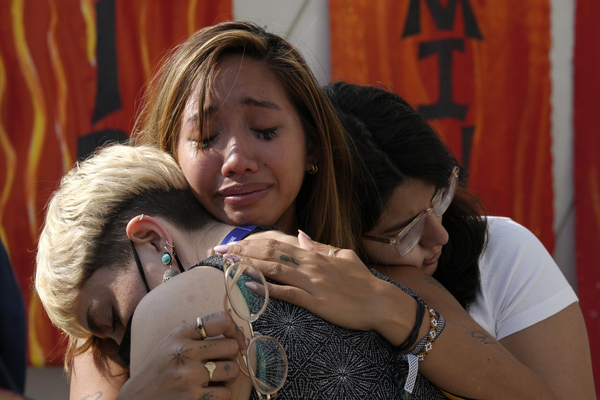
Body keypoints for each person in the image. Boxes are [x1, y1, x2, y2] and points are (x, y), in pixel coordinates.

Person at [60, 21, 557, 399]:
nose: (237, 159)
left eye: (266, 130)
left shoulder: (377, 271)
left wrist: (383, 306)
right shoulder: (112, 338)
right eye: (207, 137)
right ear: (173, 152)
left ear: (313, 148)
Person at [35, 144, 448, 399]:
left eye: (110, 318)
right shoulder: (341, 263)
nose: (124, 350)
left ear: (151, 238)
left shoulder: (176, 307)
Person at [321, 81, 594, 399]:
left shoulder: (502, 252)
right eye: (407, 232)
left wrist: (399, 308)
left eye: (439, 198)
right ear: (342, 229)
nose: (441, 235)